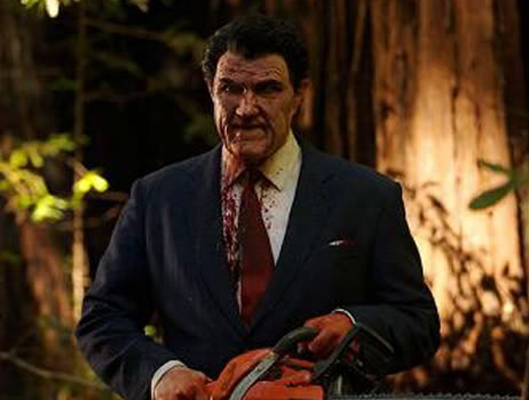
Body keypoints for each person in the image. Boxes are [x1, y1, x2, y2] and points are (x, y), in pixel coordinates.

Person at [76, 14, 439, 400]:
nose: (246, 108)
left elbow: (417, 322)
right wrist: (161, 374)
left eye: (267, 89)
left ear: (300, 94)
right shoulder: (158, 198)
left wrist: (352, 325)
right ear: (211, 90)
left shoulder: (366, 197)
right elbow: (103, 318)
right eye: (230, 89)